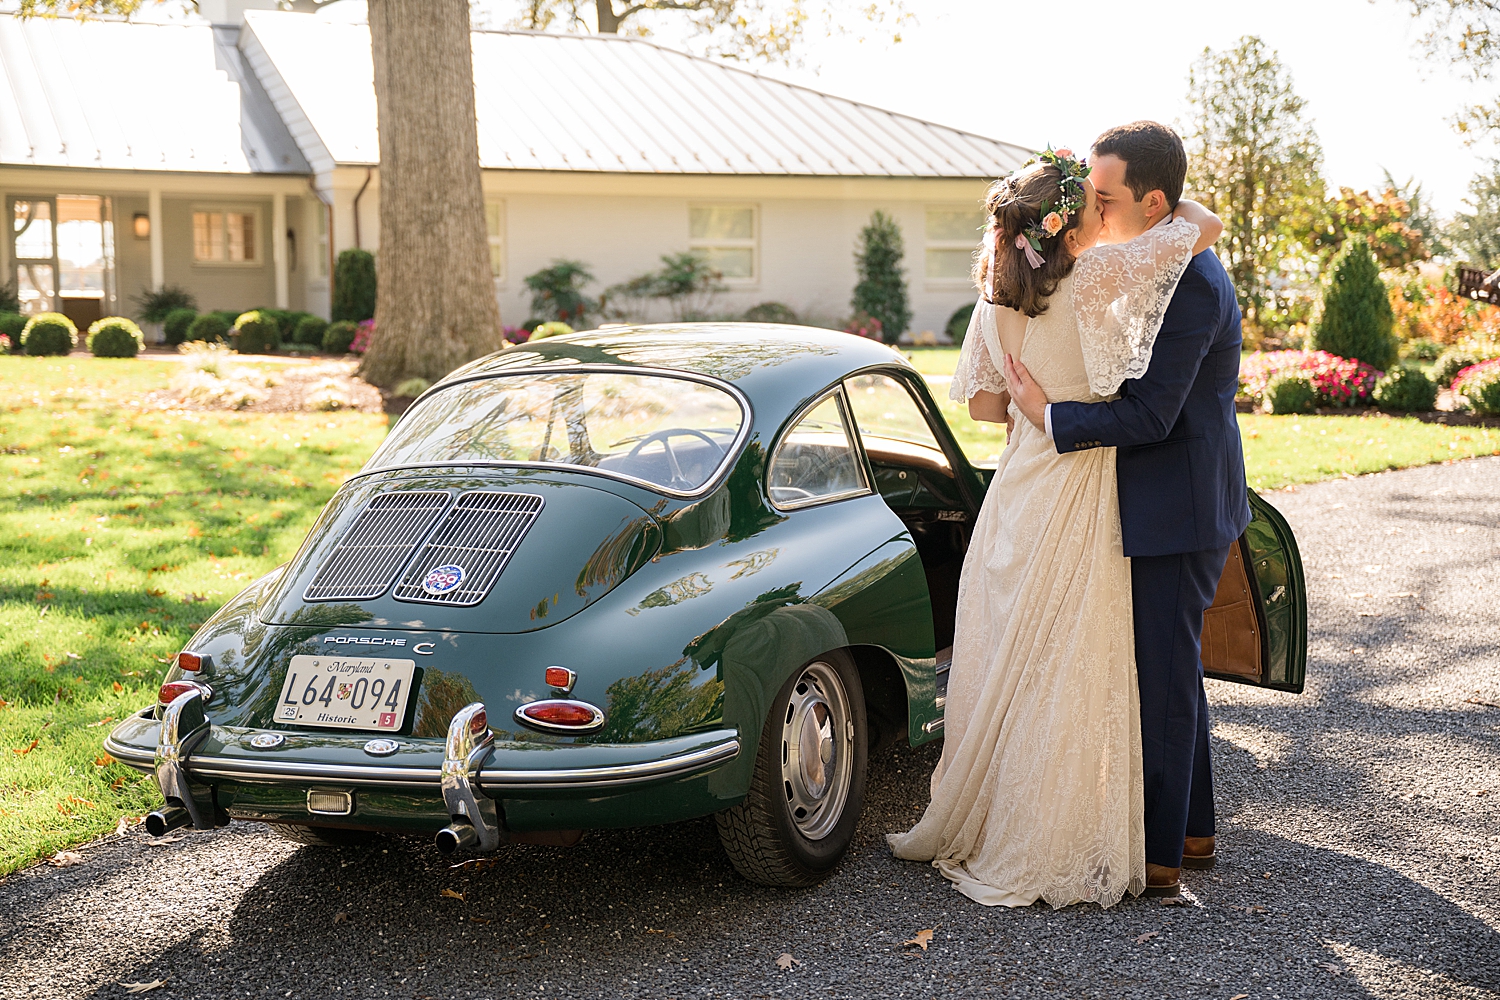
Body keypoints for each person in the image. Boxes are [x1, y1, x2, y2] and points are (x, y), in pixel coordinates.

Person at [886, 142, 1223, 908]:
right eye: (1093, 206)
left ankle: (1000, 811)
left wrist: (1033, 406)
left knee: (1013, 651)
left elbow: (984, 410)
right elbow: (1199, 225)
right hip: (1082, 486)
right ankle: (1077, 829)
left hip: (1020, 486)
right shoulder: (1103, 280)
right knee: (1076, 662)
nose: (1105, 215)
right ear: (1071, 227)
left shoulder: (991, 300)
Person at [1005, 121, 1250, 898]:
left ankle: (1160, 861)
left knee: (1164, 679)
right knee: (1176, 673)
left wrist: (1050, 418)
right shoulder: (1161, 259)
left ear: (1149, 205)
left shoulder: (1192, 284)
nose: (1090, 208)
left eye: (1103, 196)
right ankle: (1195, 832)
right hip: (1172, 499)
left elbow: (1149, 417)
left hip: (1177, 507)